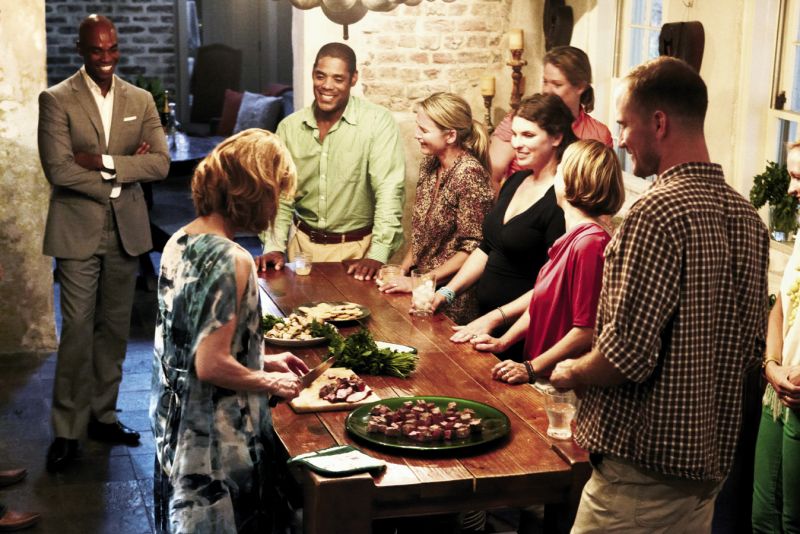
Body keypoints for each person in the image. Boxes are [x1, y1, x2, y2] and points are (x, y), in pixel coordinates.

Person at [549, 56, 770, 532]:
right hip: (704, 472)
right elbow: (751, 349)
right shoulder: (747, 218)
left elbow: (625, 356)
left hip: (640, 476)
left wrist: (569, 370)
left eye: (626, 124)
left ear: (659, 122)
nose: (621, 139)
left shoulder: (655, 213)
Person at [150, 129, 308, 533]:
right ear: (253, 191)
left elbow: (188, 340)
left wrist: (261, 356)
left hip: (175, 425)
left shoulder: (180, 240)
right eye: (275, 193)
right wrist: (267, 379)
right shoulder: (233, 258)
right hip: (214, 444)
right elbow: (210, 364)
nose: (277, 205)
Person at [38, 14, 169, 472]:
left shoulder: (141, 98)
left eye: (113, 49)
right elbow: (59, 170)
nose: (107, 58)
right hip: (77, 231)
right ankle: (67, 430)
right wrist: (120, 176)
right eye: (97, 51)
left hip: (126, 232)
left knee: (114, 329)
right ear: (81, 49)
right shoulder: (55, 100)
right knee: (76, 330)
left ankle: (103, 416)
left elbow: (160, 164)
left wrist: (100, 162)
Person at [431, 93, 575, 360]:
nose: (517, 144)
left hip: (523, 333)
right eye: (515, 135)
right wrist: (446, 293)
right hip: (484, 323)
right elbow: (488, 248)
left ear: (556, 138)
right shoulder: (516, 180)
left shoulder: (563, 199)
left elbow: (554, 284)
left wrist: (496, 320)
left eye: (528, 135)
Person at [470, 140, 623, 385]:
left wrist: (531, 368)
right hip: (541, 371)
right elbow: (541, 304)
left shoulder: (590, 244)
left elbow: (586, 330)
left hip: (562, 380)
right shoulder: (569, 238)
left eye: (561, 169)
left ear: (573, 181)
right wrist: (504, 341)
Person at [255, 42, 405, 281]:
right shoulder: (289, 127)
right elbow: (282, 195)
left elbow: (389, 190)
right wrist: (273, 246)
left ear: (353, 79)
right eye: (320, 76)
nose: (327, 86)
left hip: (358, 252)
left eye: (338, 78)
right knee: (298, 318)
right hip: (302, 250)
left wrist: (377, 253)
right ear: (313, 74)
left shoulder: (378, 122)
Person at [379, 92, 493, 324]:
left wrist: (420, 282)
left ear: (450, 135)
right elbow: (421, 233)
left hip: (452, 298)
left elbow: (473, 249)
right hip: (422, 289)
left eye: (424, 130)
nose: (416, 135)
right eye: (417, 127)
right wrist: (401, 271)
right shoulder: (429, 164)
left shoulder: (469, 174)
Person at [751, 141, 800, 533]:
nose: (790, 189)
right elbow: (780, 305)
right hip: (777, 389)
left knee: (793, 520)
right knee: (763, 515)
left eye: (799, 177)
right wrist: (770, 364)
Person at [489, 46, 612, 192]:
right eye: (545, 82)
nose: (547, 90)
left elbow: (601, 192)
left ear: (580, 86)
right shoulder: (518, 121)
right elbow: (491, 177)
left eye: (557, 84)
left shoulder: (598, 134)